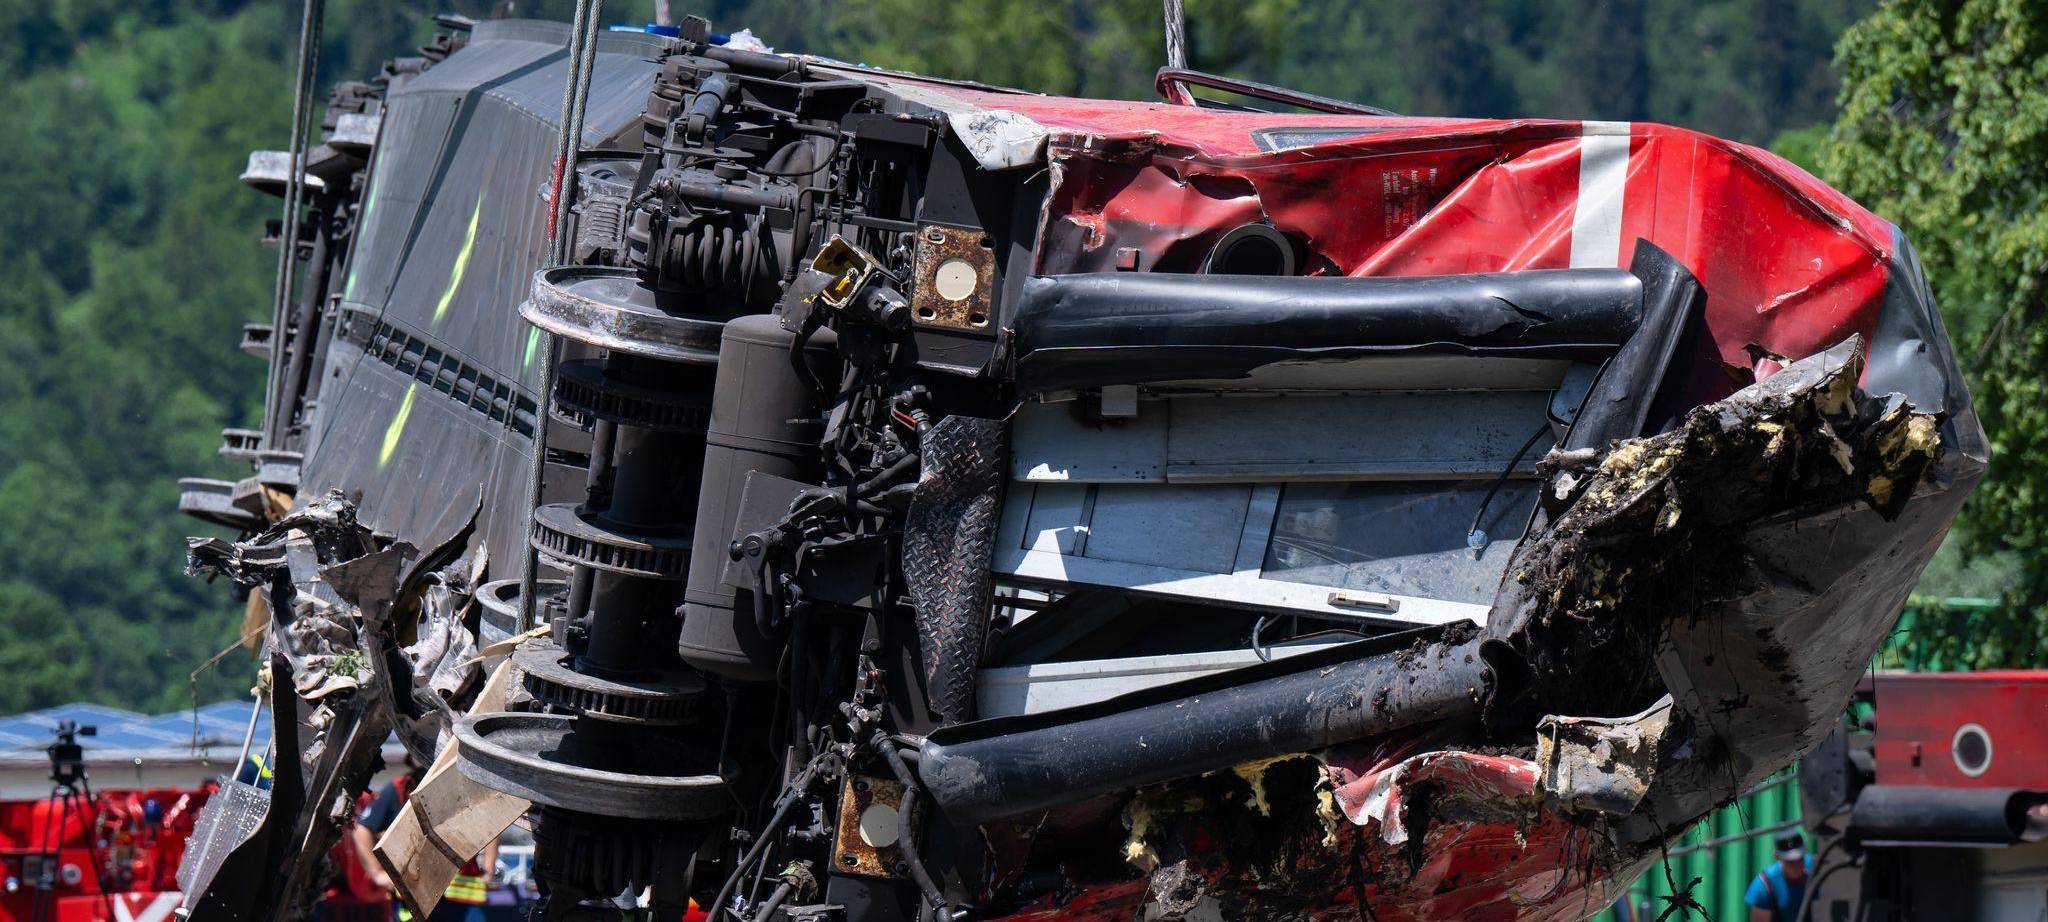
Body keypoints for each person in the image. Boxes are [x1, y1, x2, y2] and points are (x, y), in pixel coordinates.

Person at [353, 773, 499, 922]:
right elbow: (362, 829)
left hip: (462, 898)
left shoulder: (463, 782)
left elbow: (489, 820)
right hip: (416, 899)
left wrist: (489, 868)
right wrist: (376, 873)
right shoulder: (400, 789)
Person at [1746, 830, 1815, 922]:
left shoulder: (1818, 868)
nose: (1797, 864)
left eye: (1800, 858)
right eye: (1790, 861)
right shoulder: (1764, 886)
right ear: (1777, 856)